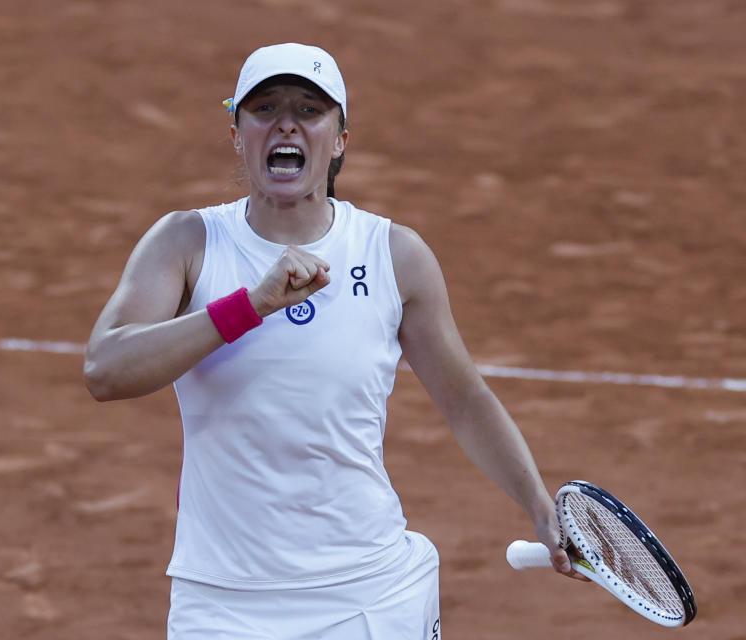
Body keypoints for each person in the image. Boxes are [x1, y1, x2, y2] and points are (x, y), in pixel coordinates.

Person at [84, 42, 580, 639]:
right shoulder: (188, 242)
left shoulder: (394, 255)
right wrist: (251, 305)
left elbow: (466, 400)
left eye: (309, 110)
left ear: (339, 138)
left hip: (368, 593)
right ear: (237, 134)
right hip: (222, 602)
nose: (285, 123)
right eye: (264, 108)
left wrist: (540, 504)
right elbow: (106, 369)